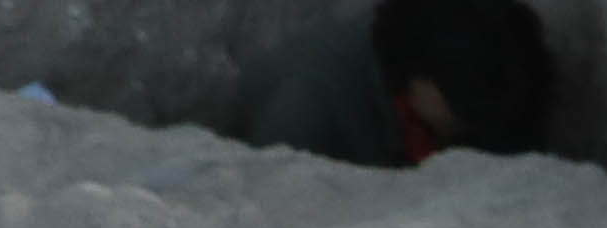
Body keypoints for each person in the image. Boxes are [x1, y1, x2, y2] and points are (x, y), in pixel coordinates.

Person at [228, 0, 553, 160]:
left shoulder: (497, 52)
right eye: (463, 108)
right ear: (420, 79)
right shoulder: (305, 108)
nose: (467, 123)